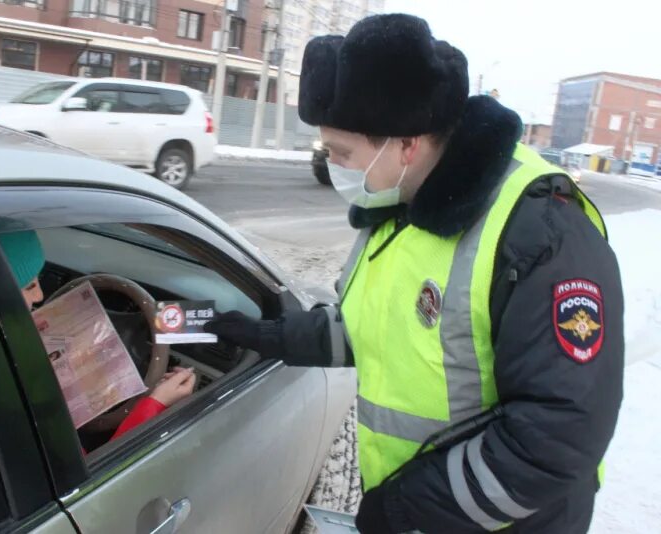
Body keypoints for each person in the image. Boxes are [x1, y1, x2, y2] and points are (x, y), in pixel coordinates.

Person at [205, 14, 623, 534]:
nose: (333, 167)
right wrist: (258, 334)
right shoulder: (398, 208)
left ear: (405, 143)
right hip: (428, 515)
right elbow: (374, 329)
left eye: (342, 153)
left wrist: (406, 507)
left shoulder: (539, 231)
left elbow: (561, 432)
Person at [0, 230, 195, 445]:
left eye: (39, 279)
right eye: (29, 286)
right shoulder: (9, 382)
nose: (40, 296)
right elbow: (102, 467)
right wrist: (156, 403)